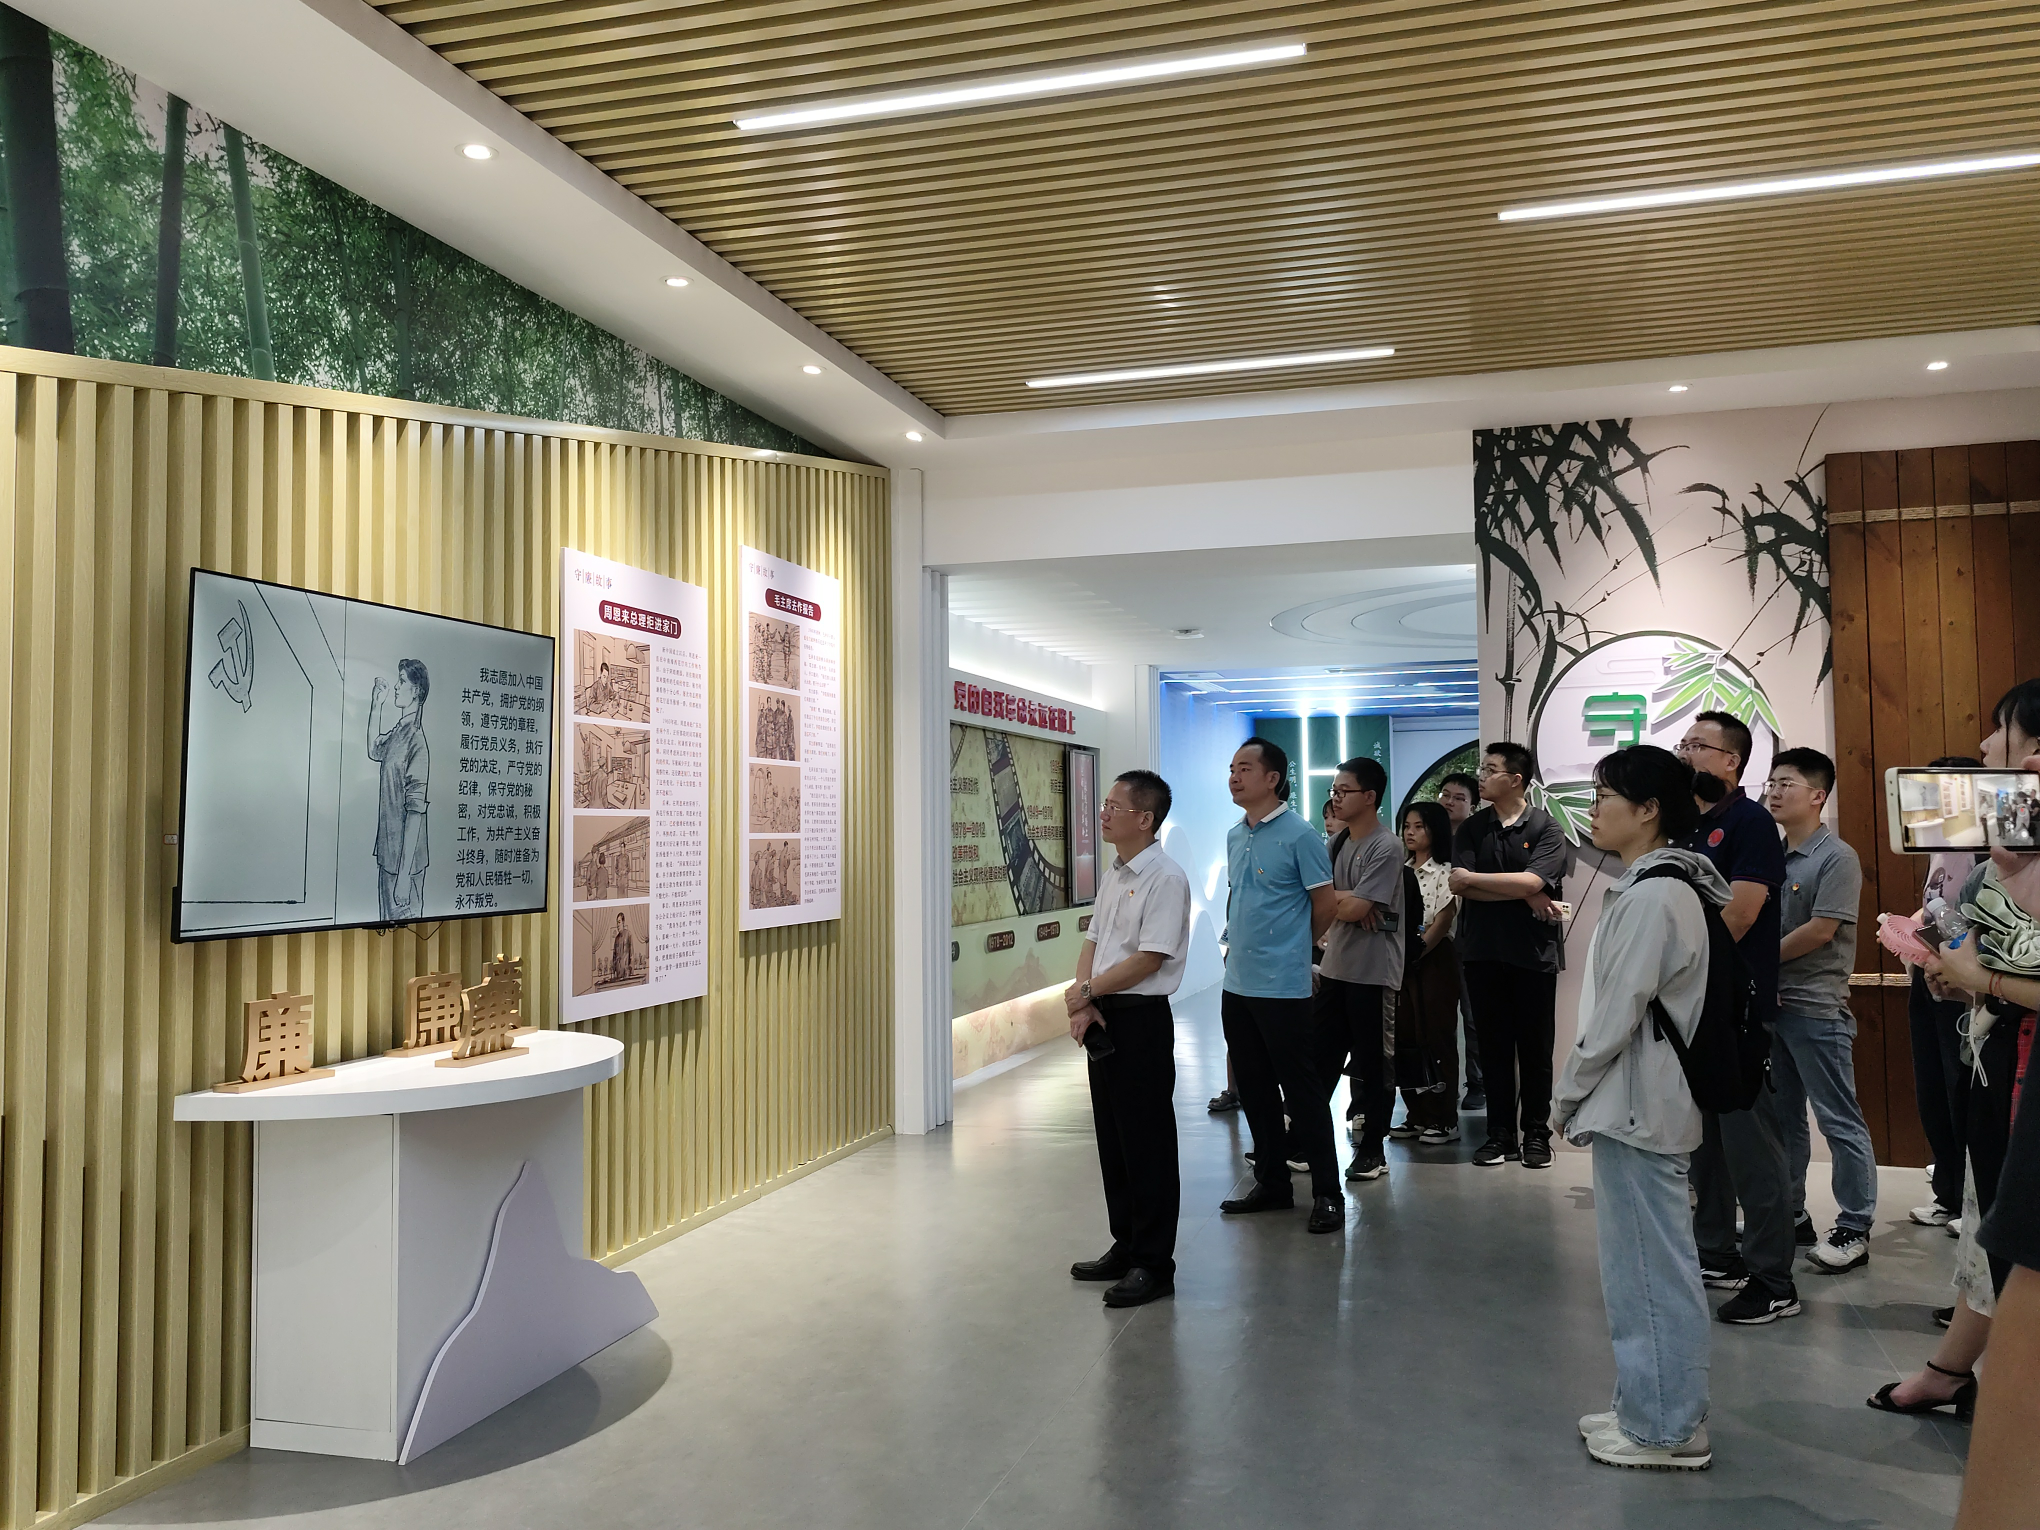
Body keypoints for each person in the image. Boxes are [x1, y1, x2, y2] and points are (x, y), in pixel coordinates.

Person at [1554, 744, 1723, 1471]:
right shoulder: (1656, 886)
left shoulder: (1656, 895)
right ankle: (1646, 1407)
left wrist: (1565, 1094)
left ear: (1648, 810)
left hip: (1640, 1103)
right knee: (1639, 1268)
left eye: (1604, 798)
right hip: (1637, 1101)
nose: (1593, 811)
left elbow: (1617, 1011)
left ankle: (1667, 1429)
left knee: (1651, 1270)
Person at [1874, 681, 2040, 1419]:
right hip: (2001, 1058)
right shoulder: (2004, 854)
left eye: (1999, 729)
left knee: (2014, 1232)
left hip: (2022, 1069)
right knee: (1992, 1220)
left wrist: (1986, 980)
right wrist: (1965, 980)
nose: (1983, 746)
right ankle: (1955, 1371)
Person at [1674, 710, 1799, 1325]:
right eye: (1683, 743)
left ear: (1731, 761)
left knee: (1753, 1149)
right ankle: (1717, 1252)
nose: (1685, 752)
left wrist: (1679, 963)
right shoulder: (1686, 825)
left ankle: (1774, 1279)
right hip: (1697, 1007)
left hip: (1739, 1009)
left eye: (1698, 745)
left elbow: (1743, 912)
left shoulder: (1749, 822)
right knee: (1705, 1145)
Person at [1066, 770, 1193, 1309]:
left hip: (1141, 1018)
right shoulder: (1115, 873)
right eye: (1104, 803)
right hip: (1105, 1013)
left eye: (1114, 806)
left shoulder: (1166, 878)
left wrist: (1087, 991)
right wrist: (1085, 1000)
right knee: (1113, 1139)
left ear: (1145, 818)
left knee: (1147, 1143)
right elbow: (1093, 940)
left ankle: (1154, 1263)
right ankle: (1126, 1244)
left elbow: (1149, 959)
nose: (1103, 813)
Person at [1217, 737, 1344, 1234]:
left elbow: (1326, 905)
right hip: (1237, 984)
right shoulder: (1235, 834)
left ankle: (1328, 1193)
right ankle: (1272, 1183)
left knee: (1302, 1091)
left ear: (1273, 779)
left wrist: (1294, 949)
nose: (1234, 776)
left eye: (1245, 768)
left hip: (1282, 987)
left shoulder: (1300, 834)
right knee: (1254, 1088)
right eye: (1232, 768)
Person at [1764, 746, 1878, 1271]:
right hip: (1774, 1005)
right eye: (1771, 782)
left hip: (1816, 1006)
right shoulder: (1772, 854)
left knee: (1838, 1119)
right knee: (1783, 1119)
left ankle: (1855, 1225)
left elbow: (1820, 930)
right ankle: (1791, 1213)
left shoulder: (1837, 857)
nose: (1773, 791)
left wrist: (1757, 961)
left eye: (1785, 783)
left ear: (1817, 795)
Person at [1451, 742, 1567, 1168]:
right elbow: (1460, 885)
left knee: (1536, 1050)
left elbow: (1532, 880)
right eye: (1482, 769)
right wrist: (1525, 891)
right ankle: (1499, 1135)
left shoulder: (1546, 828)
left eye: (1490, 770)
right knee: (1493, 1049)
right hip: (1482, 952)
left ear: (1516, 780)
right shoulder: (1472, 828)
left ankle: (1536, 1134)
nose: (1481, 776)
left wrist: (1522, 886)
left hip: (1533, 954)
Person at [1315, 757, 1406, 1183]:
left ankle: (1373, 1150)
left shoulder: (1386, 846)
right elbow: (1323, 900)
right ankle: (1307, 1142)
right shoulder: (1336, 844)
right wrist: (1350, 900)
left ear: (1369, 797)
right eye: (1334, 790)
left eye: (1343, 791)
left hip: (1374, 972)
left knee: (1374, 1065)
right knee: (1322, 1058)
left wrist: (1347, 902)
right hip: (1336, 966)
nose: (1335, 798)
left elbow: (1351, 908)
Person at [1909, 758, 1986, 1228]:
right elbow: (1937, 911)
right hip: (1929, 975)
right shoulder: (1939, 847)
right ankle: (1949, 1194)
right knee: (1934, 1090)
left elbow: (1979, 926)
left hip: (1969, 987)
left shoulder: (1988, 852)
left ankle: (1972, 1202)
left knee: (1965, 1092)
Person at [1398, 799, 1463, 1142]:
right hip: (1401, 959)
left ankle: (1444, 1118)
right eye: (1407, 826)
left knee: (1436, 1036)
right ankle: (1416, 1115)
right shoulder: (1399, 870)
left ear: (1435, 830)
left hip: (1434, 959)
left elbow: (1443, 920)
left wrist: (1418, 951)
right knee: (1406, 1037)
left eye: (1418, 826)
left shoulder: (1446, 872)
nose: (1410, 833)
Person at [1436, 770, 1487, 1111]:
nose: (1450, 802)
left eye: (1459, 798)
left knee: (1472, 1015)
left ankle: (1478, 1083)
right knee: (1436, 1016)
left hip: (1469, 935)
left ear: (1473, 805)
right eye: (1445, 794)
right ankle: (1439, 1086)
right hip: (1432, 939)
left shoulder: (1477, 840)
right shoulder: (1425, 836)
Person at [368, 657, 430, 922]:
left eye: (401, 681)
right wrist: (376, 705)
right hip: (388, 857)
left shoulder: (416, 741)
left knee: (405, 933)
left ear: (416, 691)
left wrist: (404, 877)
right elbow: (374, 750)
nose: (396, 686)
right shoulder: (399, 733)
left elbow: (415, 812)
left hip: (405, 867)